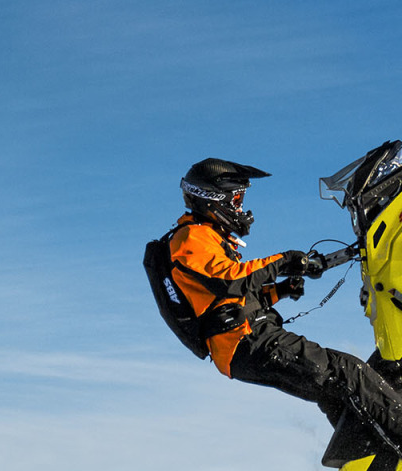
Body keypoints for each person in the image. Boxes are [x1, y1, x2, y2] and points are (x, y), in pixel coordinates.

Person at [143, 156, 402, 453]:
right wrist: (284, 261)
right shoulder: (190, 238)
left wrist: (279, 291)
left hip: (245, 342)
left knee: (334, 391)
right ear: (214, 200)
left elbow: (230, 301)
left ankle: (377, 459)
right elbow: (230, 281)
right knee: (346, 371)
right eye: (237, 199)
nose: (241, 208)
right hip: (247, 342)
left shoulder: (210, 239)